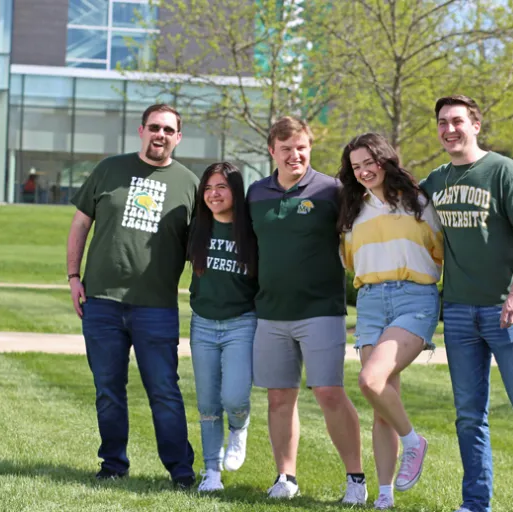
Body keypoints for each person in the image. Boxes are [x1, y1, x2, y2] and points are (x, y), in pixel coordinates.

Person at [420, 94, 513, 512]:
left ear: (475, 125)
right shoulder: (436, 181)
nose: (449, 129)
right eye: (442, 123)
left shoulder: (502, 171)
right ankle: (475, 503)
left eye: (457, 121)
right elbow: (396, 207)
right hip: (458, 312)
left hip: (507, 311)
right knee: (469, 415)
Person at [66, 103, 199, 489]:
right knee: (108, 389)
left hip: (155, 306)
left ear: (178, 138)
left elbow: (199, 247)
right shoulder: (109, 169)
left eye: (168, 130)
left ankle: (181, 471)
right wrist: (74, 276)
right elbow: (80, 225)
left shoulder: (189, 184)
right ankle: (113, 465)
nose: (160, 135)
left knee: (164, 390)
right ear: (141, 130)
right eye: (154, 127)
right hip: (102, 302)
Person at [247, 116, 367, 504]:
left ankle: (356, 480)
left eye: (301, 147)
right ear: (272, 152)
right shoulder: (255, 193)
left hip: (321, 310)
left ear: (309, 148)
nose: (294, 155)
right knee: (279, 398)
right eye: (286, 149)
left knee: (329, 392)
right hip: (271, 313)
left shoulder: (333, 190)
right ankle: (286, 477)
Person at [338, 132, 443, 510]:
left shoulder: (417, 203)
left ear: (385, 160)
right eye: (356, 166)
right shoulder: (353, 210)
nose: (364, 171)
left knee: (370, 380)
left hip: (414, 298)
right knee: (384, 401)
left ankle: (414, 442)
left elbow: (438, 250)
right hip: (369, 301)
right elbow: (350, 261)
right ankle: (384, 497)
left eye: (370, 162)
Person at [187, 162, 259, 492]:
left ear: (236, 192)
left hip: (241, 323)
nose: (214, 194)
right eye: (208, 188)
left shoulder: (252, 232)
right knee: (206, 404)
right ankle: (211, 472)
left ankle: (239, 427)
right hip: (202, 325)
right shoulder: (197, 229)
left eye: (222, 187)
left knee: (234, 397)